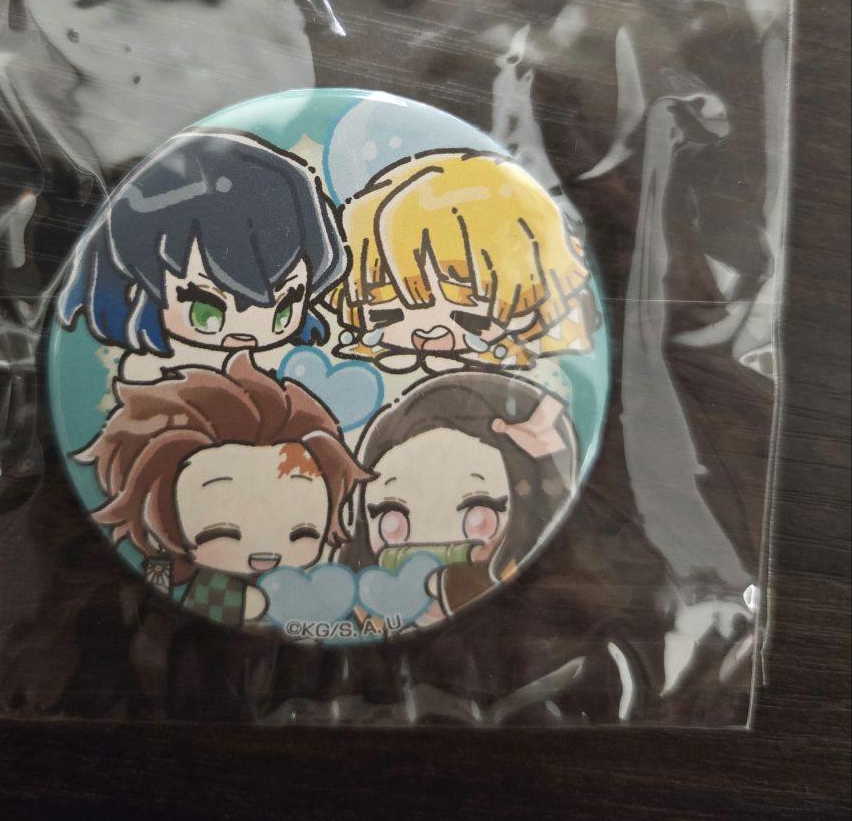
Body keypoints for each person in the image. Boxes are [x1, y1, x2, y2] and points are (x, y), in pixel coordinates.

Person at [75, 352, 373, 628]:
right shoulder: (190, 586)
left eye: (301, 533)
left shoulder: (314, 583)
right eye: (223, 533)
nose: (264, 555)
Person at [58, 131, 347, 381]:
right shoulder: (149, 369)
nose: (244, 338)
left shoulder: (289, 364)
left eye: (283, 312)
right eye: (205, 313)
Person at [340, 370, 578, 622]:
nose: (432, 543)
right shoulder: (359, 604)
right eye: (392, 521)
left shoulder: (532, 605)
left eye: (479, 516)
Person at [331, 150, 599, 373]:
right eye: (385, 315)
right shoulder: (363, 358)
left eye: (469, 318)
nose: (429, 332)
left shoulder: (530, 361)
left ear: (528, 302)